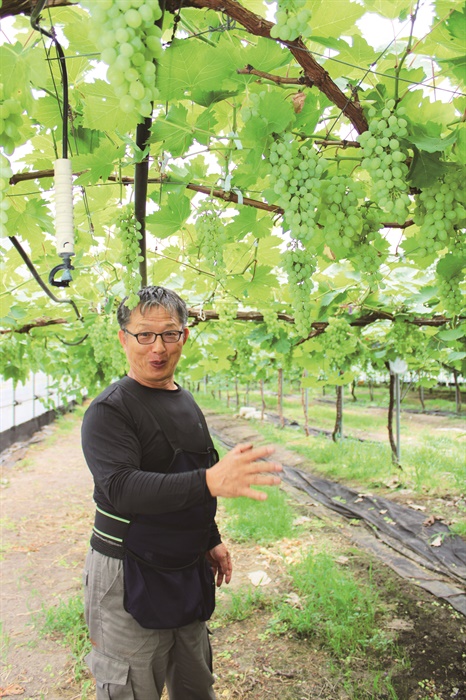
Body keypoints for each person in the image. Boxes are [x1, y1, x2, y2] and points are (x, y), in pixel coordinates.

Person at [81, 285, 282, 700]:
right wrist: (210, 482)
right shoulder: (110, 411)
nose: (157, 347)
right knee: (132, 688)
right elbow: (122, 488)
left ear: (184, 337)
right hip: (128, 573)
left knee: (195, 684)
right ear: (123, 337)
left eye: (169, 334)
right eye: (144, 335)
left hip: (185, 568)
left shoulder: (186, 402)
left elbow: (193, 470)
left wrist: (211, 538)